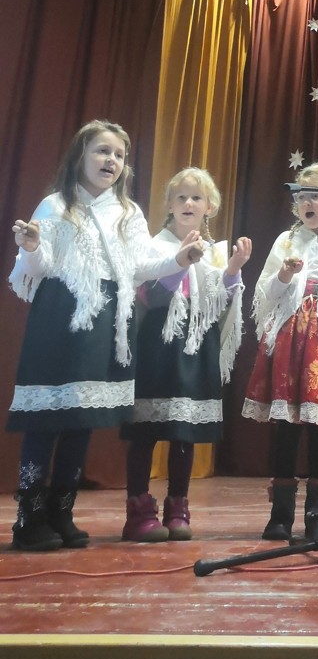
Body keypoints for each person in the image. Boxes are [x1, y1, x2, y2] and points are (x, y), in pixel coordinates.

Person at [7, 120, 203, 552]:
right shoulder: (55, 206)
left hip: (107, 323)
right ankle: (30, 518)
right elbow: (36, 270)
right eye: (101, 151)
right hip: (60, 319)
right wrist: (32, 246)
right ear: (80, 156)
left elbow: (143, 266)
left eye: (118, 154)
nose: (110, 160)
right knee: (47, 418)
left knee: (82, 419)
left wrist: (180, 258)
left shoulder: (127, 213)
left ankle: (62, 512)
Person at [120, 167, 250, 542]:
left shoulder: (215, 252)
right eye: (181, 197)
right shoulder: (154, 245)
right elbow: (149, 296)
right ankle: (138, 509)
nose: (188, 203)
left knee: (184, 430)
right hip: (159, 343)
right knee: (146, 430)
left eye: (196, 197)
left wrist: (233, 270)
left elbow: (220, 304)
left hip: (196, 344)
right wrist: (181, 262)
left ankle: (178, 505)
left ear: (210, 206)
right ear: (169, 205)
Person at [242, 159, 318, 542]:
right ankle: (280, 513)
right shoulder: (286, 240)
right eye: (302, 196)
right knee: (285, 426)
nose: (308, 203)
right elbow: (266, 293)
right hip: (290, 338)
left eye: (317, 196)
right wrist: (284, 275)